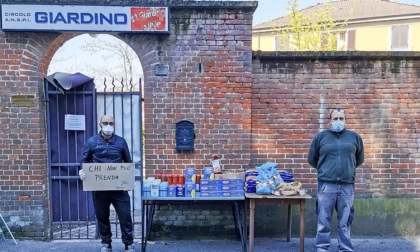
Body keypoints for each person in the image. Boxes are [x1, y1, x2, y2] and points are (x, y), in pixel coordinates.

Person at [307, 108, 364, 252]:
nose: (338, 121)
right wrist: (327, 170)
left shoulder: (354, 138)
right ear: (330, 120)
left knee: (345, 221)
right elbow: (312, 160)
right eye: (335, 118)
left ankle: (345, 249)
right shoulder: (320, 138)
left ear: (345, 120)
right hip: (326, 185)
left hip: (347, 186)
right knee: (323, 220)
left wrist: (347, 170)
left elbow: (358, 159)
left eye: (341, 119)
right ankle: (322, 248)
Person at [79, 115, 135, 252]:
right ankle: (106, 243)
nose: (108, 125)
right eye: (105, 123)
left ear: (114, 124)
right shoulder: (92, 142)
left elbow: (128, 162)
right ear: (100, 124)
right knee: (102, 216)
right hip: (99, 187)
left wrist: (127, 178)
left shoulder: (121, 142)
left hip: (118, 188)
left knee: (125, 215)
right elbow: (85, 160)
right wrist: (82, 171)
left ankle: (128, 243)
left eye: (111, 123)